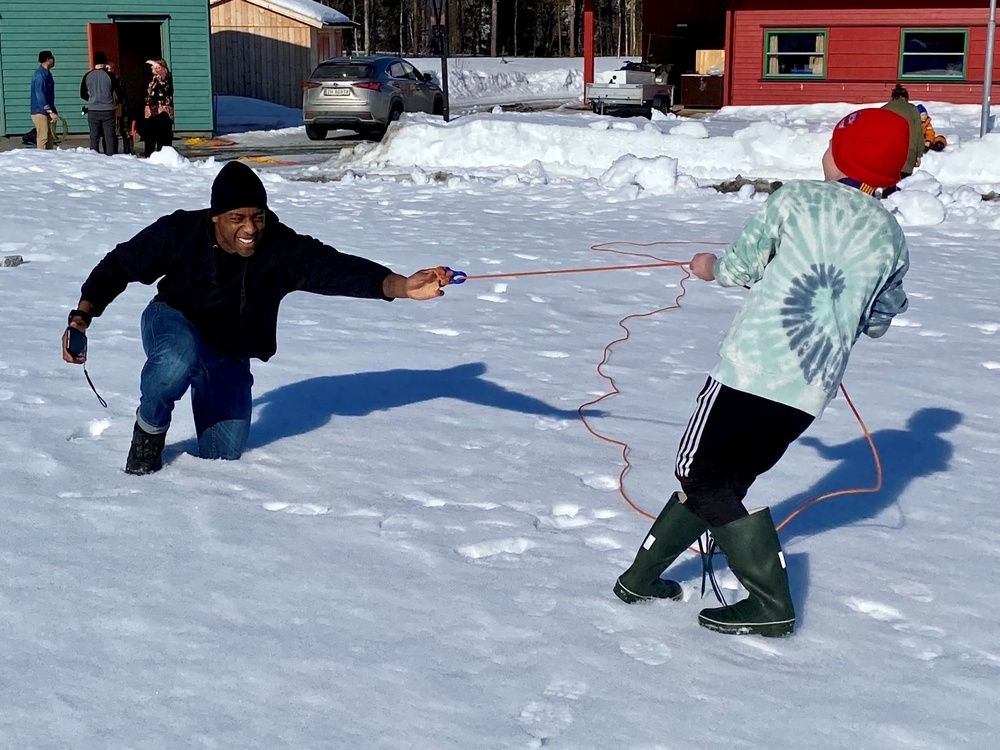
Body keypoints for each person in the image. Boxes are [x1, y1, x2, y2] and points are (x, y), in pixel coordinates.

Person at [612, 108, 912, 638]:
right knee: (725, 481)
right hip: (806, 391)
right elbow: (880, 319)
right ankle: (640, 579)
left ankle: (770, 601)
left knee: (699, 474)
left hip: (750, 370)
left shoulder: (795, 199)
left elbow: (741, 267)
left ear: (840, 156)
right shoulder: (890, 237)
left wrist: (706, 266)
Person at [62, 161, 453, 475]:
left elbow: (332, 267)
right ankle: (148, 434)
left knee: (223, 456)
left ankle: (200, 376)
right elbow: (119, 265)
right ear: (216, 217)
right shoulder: (180, 231)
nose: (250, 228)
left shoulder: (278, 248)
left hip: (228, 350)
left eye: (257, 216)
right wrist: (82, 316)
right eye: (237, 218)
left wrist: (399, 285)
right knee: (177, 358)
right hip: (172, 321)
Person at [80, 51, 125, 155]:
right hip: (108, 109)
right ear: (105, 62)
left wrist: (92, 99)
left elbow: (82, 93)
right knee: (109, 136)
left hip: (93, 110)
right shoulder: (110, 76)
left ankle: (94, 156)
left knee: (94, 136)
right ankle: (110, 156)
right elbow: (119, 93)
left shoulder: (87, 75)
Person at [882, 84, 923, 178]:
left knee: (888, 184)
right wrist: (918, 154)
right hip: (907, 154)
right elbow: (918, 133)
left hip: (886, 155)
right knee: (903, 186)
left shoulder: (884, 109)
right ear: (906, 97)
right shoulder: (912, 109)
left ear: (893, 97)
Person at [142, 58, 174, 157]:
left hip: (163, 113)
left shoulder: (166, 78)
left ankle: (164, 160)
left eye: (155, 66)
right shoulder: (152, 79)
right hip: (151, 113)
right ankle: (149, 158)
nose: (152, 68)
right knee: (149, 140)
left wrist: (158, 67)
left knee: (163, 140)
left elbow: (164, 87)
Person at [30, 50, 59, 150]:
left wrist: (53, 110)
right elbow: (40, 94)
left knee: (50, 137)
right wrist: (49, 111)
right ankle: (41, 159)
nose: (54, 60)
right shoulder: (40, 75)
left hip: (47, 111)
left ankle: (49, 158)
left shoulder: (47, 74)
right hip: (40, 112)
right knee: (43, 137)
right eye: (52, 58)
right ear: (48, 60)